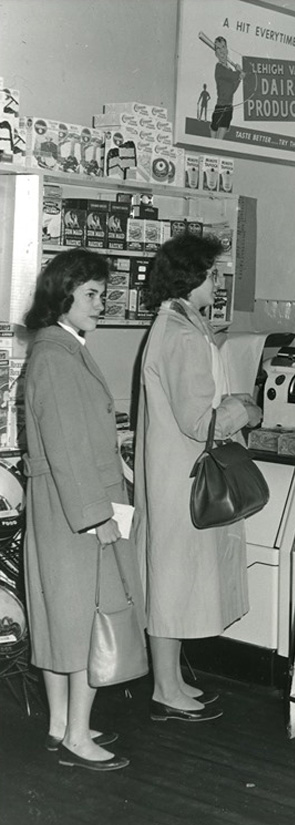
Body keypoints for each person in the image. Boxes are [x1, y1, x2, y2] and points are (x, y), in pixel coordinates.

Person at [134, 233, 262, 722]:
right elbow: (200, 422)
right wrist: (245, 409)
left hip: (178, 475)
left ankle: (171, 678)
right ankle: (165, 688)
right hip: (183, 480)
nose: (220, 281)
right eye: (213, 273)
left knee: (175, 577)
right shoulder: (184, 335)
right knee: (171, 580)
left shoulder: (183, 323)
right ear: (191, 278)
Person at [22, 248, 142, 771]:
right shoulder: (57, 356)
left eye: (103, 293)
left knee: (62, 618)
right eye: (92, 294)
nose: (102, 303)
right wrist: (100, 518)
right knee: (89, 619)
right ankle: (76, 736)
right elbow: (69, 452)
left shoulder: (59, 349)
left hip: (62, 506)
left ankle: (60, 724)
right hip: (81, 511)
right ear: (63, 295)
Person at [209, 37, 243, 140]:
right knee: (214, 131)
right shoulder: (219, 68)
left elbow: (232, 89)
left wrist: (239, 79)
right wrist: (238, 72)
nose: (222, 51)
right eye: (218, 49)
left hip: (228, 106)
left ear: (227, 50)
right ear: (216, 54)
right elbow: (231, 75)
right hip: (220, 106)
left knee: (221, 136)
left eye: (223, 47)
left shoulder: (229, 69)